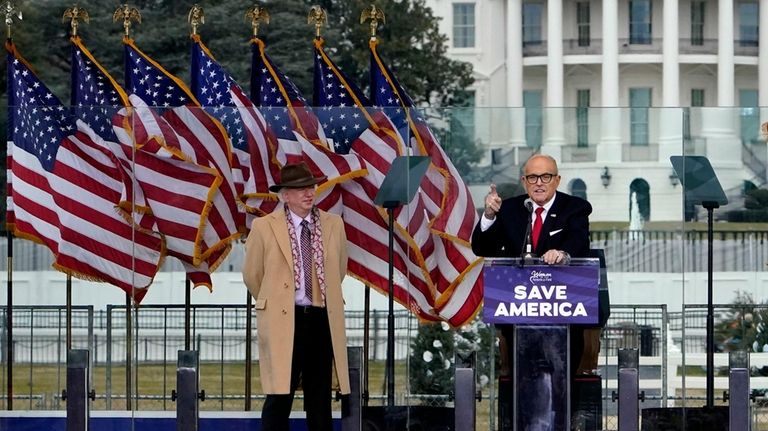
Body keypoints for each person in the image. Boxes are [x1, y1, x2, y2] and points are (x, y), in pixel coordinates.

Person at [471, 154, 593, 428]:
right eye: (532, 178)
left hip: (563, 320)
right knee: (523, 389)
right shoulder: (511, 209)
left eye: (546, 177)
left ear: (557, 180)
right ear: (524, 182)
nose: (539, 183)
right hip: (520, 321)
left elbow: (579, 241)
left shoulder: (575, 207)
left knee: (559, 391)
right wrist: (489, 215)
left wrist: (562, 253)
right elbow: (483, 248)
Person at [242, 162, 349, 431]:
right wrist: (276, 299)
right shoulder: (264, 227)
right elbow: (253, 276)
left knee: (320, 397)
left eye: (311, 187)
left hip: (320, 318)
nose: (308, 193)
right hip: (283, 320)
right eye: (300, 189)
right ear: (285, 195)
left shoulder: (333, 224)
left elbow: (340, 269)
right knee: (279, 396)